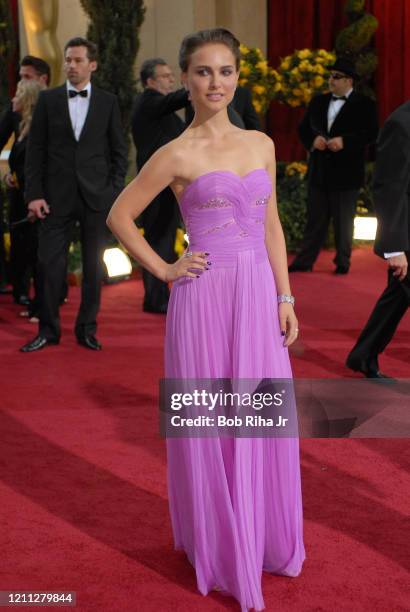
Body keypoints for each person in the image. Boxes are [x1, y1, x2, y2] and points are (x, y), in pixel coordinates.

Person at [108, 28, 305, 611]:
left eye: (224, 71)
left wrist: (285, 296)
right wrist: (166, 270)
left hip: (257, 293)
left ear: (237, 77)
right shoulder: (175, 153)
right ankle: (219, 544)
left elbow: (270, 225)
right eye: (202, 72)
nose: (215, 82)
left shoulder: (262, 142)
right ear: (185, 80)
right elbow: (119, 216)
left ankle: (259, 537)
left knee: (262, 419)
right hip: (205, 297)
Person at [20, 37, 127, 352]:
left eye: (78, 60)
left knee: (94, 268)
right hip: (55, 198)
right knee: (48, 265)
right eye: (68, 59)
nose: (71, 65)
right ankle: (48, 330)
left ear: (92, 64)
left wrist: (113, 192)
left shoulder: (108, 101)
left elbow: (119, 151)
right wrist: (33, 195)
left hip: (96, 199)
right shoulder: (49, 100)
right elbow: (34, 152)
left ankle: (87, 329)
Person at [288, 58, 379, 274]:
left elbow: (371, 134)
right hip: (319, 171)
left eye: (336, 77)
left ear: (349, 81)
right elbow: (303, 129)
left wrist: (345, 142)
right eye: (330, 76)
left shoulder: (365, 104)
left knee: (343, 222)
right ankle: (305, 261)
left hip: (347, 173)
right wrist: (313, 141)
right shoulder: (318, 101)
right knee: (315, 219)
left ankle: (342, 262)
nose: (331, 80)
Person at [346, 101, 410, 378]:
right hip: (406, 235)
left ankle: (363, 354)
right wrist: (394, 246)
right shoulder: (402, 123)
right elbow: (388, 186)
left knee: (396, 296)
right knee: (398, 293)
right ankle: (363, 354)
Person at [132, 58, 190, 313]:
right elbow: (173, 100)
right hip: (154, 188)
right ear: (150, 81)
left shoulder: (161, 111)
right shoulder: (149, 102)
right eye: (165, 76)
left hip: (166, 188)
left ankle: (158, 296)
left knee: (164, 238)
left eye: (171, 75)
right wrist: (195, 85)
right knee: (158, 239)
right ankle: (155, 298)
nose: (171, 79)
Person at [0, 55, 51, 297]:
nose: (21, 83)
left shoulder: (54, 109)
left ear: (43, 80)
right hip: (19, 191)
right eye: (20, 77)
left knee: (39, 248)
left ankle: (46, 296)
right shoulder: (14, 112)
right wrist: (7, 173)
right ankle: (22, 292)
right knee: (21, 245)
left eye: (27, 77)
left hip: (43, 193)